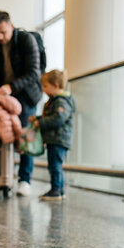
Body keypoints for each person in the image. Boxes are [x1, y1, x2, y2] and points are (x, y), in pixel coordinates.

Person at [0, 11, 43, 197]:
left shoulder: (26, 41)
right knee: (5, 132)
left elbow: (34, 73)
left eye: (3, 32)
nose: (0, 37)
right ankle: (4, 174)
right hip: (5, 96)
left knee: (24, 135)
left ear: (11, 26)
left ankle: (25, 179)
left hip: (26, 96)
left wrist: (11, 86)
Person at [29, 69, 75, 201]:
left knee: (55, 165)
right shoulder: (55, 101)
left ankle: (57, 190)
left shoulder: (61, 102)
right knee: (54, 165)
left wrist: (40, 123)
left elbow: (58, 119)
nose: (43, 90)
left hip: (58, 139)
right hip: (55, 139)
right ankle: (58, 189)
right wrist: (37, 119)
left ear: (55, 85)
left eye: (45, 86)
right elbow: (51, 116)